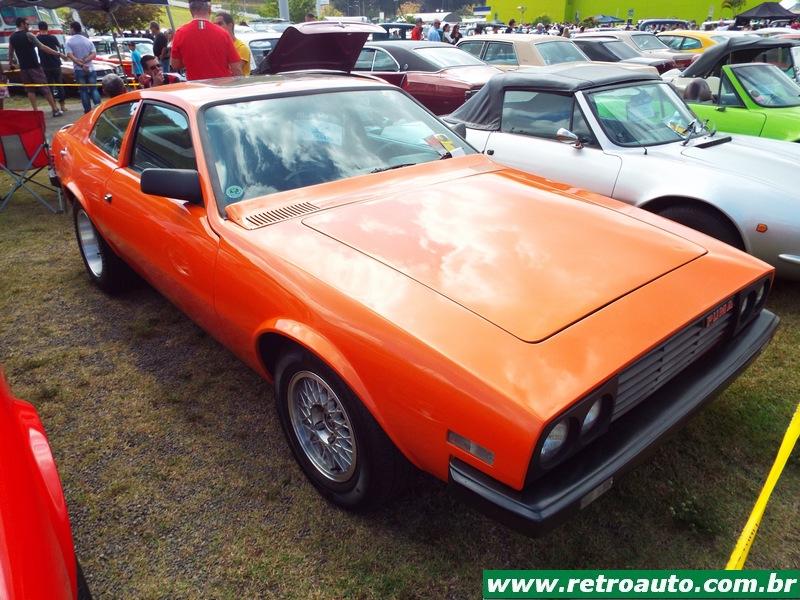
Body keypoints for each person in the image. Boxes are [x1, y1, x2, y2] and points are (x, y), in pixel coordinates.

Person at [170, 0, 242, 80]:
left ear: (191, 10)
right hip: (222, 85)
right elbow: (236, 68)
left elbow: (175, 65)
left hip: (196, 85)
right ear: (209, 9)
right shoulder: (223, 34)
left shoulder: (180, 33)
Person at [8, 17, 64, 116]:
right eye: (27, 24)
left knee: (30, 90)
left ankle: (35, 111)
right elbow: (42, 47)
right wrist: (58, 54)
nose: (28, 26)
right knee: (45, 88)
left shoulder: (12, 37)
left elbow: (10, 51)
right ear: (22, 24)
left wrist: (11, 63)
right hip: (34, 66)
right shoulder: (28, 35)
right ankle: (55, 110)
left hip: (23, 68)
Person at [65, 22, 101, 113]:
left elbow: (70, 56)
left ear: (72, 29)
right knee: (94, 89)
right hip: (90, 68)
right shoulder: (87, 40)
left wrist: (81, 64)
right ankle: (99, 109)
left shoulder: (69, 41)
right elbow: (94, 54)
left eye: (70, 28)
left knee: (83, 91)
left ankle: (87, 111)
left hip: (79, 69)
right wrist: (85, 61)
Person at [36, 21, 66, 114]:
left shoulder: (37, 38)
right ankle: (63, 105)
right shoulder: (52, 37)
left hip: (45, 65)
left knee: (49, 87)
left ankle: (54, 106)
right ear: (47, 28)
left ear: (39, 28)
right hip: (56, 63)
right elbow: (59, 46)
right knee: (60, 85)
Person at [215, 11, 251, 75]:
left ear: (230, 25)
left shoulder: (241, 48)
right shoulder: (218, 46)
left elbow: (235, 70)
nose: (216, 27)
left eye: (220, 24)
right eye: (215, 24)